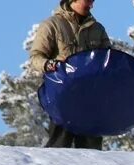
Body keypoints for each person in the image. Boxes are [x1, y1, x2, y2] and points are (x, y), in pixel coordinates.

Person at [29, 0, 111, 149]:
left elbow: (108, 59)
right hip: (63, 97)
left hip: (90, 99)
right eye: (88, 1)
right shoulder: (52, 25)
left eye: (93, 2)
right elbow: (35, 57)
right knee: (60, 147)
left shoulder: (97, 29)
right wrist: (48, 65)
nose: (91, 5)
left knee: (92, 152)